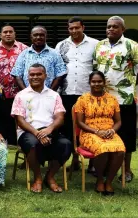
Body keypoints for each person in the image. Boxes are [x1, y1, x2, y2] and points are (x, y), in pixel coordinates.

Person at [93, 16, 138, 183]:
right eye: (109, 26)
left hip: (125, 99)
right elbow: (96, 70)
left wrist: (130, 86)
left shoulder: (132, 45)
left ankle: (127, 169)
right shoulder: (100, 45)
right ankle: (107, 167)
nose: (111, 29)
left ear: (122, 29)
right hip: (103, 100)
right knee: (105, 131)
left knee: (126, 134)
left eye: (115, 27)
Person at [11, 63, 72, 193]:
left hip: (50, 131)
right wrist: (37, 133)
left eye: (39, 74)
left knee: (66, 144)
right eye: (32, 74)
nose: (35, 77)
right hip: (28, 131)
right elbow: (20, 120)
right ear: (28, 76)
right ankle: (38, 178)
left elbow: (60, 117)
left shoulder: (54, 95)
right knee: (32, 144)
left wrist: (48, 130)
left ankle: (50, 177)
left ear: (45, 75)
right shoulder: (21, 95)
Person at [54, 16, 99, 172]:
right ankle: (74, 160)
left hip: (87, 93)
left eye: (77, 28)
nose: (74, 31)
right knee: (69, 128)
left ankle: (92, 164)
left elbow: (98, 68)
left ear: (83, 27)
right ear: (68, 29)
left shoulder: (95, 45)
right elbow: (58, 68)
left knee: (89, 126)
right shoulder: (61, 45)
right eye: (71, 28)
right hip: (66, 93)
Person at [75, 71, 125, 195]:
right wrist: (97, 131)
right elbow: (80, 123)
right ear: (89, 83)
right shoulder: (82, 99)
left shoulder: (112, 99)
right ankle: (99, 180)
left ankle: (108, 181)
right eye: (94, 81)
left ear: (104, 83)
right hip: (89, 132)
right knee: (103, 149)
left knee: (120, 150)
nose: (96, 84)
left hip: (109, 132)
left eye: (99, 81)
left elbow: (118, 121)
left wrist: (112, 130)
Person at [0, 23, 28, 145]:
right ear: (0, 35)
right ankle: (0, 147)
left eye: (10, 32)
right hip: (0, 95)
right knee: (2, 121)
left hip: (20, 94)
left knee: (20, 122)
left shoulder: (24, 49)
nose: (8, 34)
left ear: (15, 34)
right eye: (5, 32)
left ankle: (22, 147)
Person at [10, 26, 66, 92]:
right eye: (35, 35)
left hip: (49, 96)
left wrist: (50, 93)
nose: (38, 37)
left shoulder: (55, 54)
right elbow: (17, 75)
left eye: (41, 35)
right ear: (31, 37)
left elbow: (60, 75)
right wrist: (26, 92)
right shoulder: (24, 54)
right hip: (28, 97)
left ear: (46, 36)